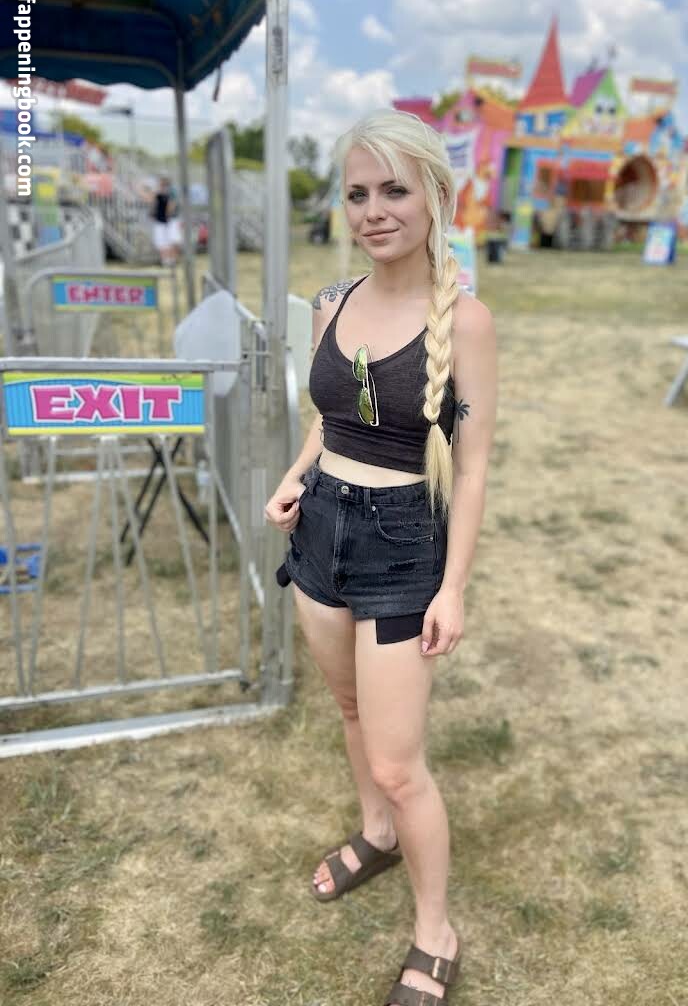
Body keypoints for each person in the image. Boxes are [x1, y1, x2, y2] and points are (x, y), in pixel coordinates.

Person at [265, 109, 497, 1006]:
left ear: (435, 195)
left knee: (401, 763)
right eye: (358, 193)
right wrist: (294, 477)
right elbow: (327, 418)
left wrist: (454, 587)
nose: (374, 210)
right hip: (320, 529)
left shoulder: (466, 322)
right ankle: (378, 834)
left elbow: (472, 470)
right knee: (351, 708)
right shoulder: (331, 302)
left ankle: (436, 932)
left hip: (403, 545)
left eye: (394, 190)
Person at [150, 176, 179, 266]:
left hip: (168, 221)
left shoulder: (171, 192)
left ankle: (172, 260)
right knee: (162, 242)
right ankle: (165, 260)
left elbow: (171, 206)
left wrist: (168, 216)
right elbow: (152, 202)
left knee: (172, 241)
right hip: (160, 220)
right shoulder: (158, 193)